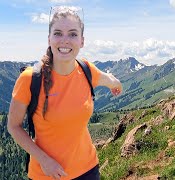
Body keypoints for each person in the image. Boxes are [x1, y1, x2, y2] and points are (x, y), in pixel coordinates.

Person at [7, 6, 122, 180]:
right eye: (58, 33)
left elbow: (110, 80)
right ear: (49, 39)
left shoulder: (87, 70)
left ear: (82, 41)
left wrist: (116, 85)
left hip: (88, 170)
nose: (65, 40)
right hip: (45, 174)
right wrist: (44, 160)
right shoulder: (30, 78)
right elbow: (13, 126)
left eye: (73, 34)